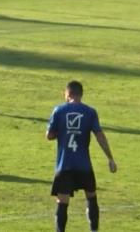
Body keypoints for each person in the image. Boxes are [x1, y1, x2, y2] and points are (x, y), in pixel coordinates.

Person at [46, 80, 117, 232]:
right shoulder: (90, 112)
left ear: (68, 93)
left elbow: (49, 135)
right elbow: (100, 136)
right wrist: (110, 158)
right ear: (81, 94)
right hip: (84, 165)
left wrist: (63, 131)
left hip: (64, 164)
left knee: (62, 201)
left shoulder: (59, 110)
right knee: (91, 197)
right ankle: (94, 230)